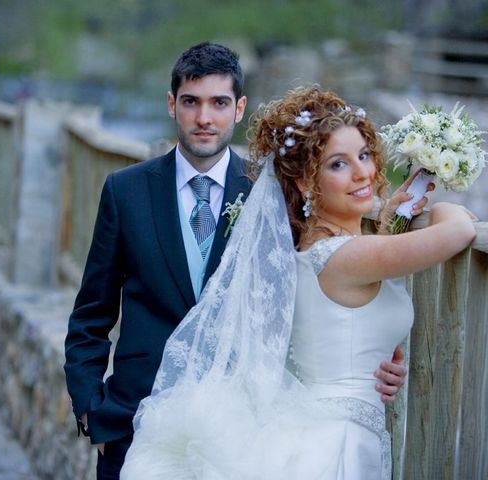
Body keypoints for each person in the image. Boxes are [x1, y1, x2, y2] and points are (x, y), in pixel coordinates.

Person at [64, 43, 408, 480]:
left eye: (219, 103)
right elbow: (91, 314)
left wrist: (373, 354)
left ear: (239, 107)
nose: (204, 118)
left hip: (237, 436)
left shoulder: (274, 196)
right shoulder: (125, 191)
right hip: (133, 418)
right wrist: (91, 409)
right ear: (173, 105)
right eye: (191, 102)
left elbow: (320, 272)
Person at [120, 86, 476, 479]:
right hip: (336, 444)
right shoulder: (346, 258)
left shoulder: (321, 247)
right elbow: (457, 231)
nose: (362, 172)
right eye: (338, 164)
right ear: (307, 183)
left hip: (337, 427)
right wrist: (444, 205)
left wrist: (394, 220)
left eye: (363, 155)